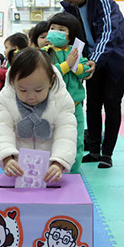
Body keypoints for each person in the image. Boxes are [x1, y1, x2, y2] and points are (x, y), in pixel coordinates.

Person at [51, 0, 124, 169]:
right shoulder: (69, 8)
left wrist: (95, 60)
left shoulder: (102, 1)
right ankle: (94, 150)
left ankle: (107, 153)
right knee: (92, 103)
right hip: (92, 58)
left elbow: (108, 33)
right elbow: (70, 35)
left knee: (112, 102)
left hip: (118, 57)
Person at [0, 48, 77, 183]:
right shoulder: (5, 99)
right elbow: (1, 131)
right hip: (18, 169)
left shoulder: (61, 99)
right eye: (22, 90)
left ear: (51, 82)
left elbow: (66, 135)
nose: (31, 96)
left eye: (38, 90)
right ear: (13, 82)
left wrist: (59, 162)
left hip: (50, 169)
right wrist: (7, 158)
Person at [45, 13, 91, 173]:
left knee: (77, 139)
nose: (55, 32)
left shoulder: (76, 51)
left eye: (61, 29)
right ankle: (51, 169)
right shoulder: (45, 52)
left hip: (75, 106)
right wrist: (67, 64)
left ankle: (73, 171)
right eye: (52, 28)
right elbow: (47, 73)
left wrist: (76, 66)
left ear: (71, 34)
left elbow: (85, 70)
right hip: (52, 105)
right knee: (52, 139)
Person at [0, 33, 30, 117]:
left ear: (15, 49)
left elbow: (10, 74)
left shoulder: (19, 61)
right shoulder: (8, 61)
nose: (4, 51)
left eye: (6, 48)